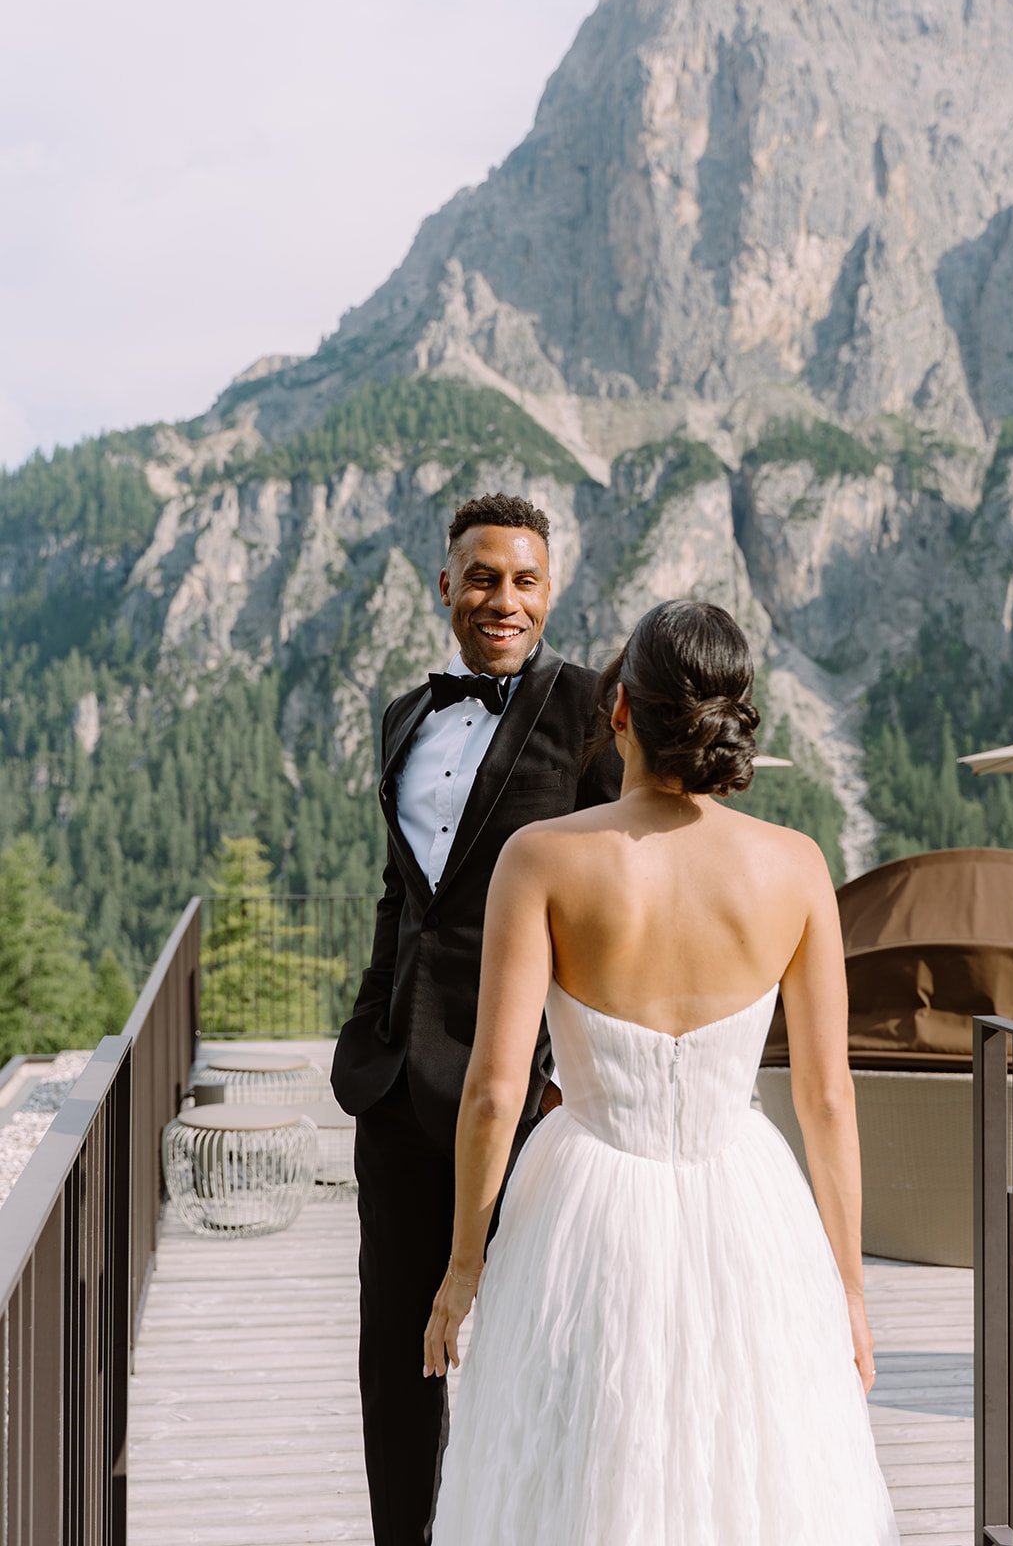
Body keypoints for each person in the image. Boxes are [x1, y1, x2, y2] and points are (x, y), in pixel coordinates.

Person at [424, 599, 900, 1545]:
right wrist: (847, 1286)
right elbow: (826, 1098)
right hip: (749, 1204)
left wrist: (461, 1269)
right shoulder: (797, 866)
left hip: (582, 1203)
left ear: (618, 713)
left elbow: (492, 1092)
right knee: (750, 1472)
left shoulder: (544, 859)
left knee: (581, 1466)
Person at [330, 492, 622, 1546]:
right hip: (394, 1090)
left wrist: (565, 1061)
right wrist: (373, 1015)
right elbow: (400, 891)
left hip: (533, 1102)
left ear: (551, 592)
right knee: (394, 1359)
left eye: (525, 579)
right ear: (445, 584)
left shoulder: (595, 708)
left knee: (538, 1357)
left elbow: (619, 897)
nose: (504, 597)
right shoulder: (403, 712)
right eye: (484, 576)